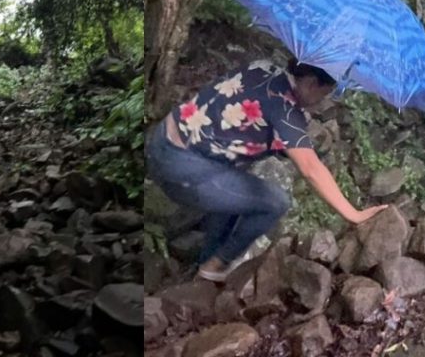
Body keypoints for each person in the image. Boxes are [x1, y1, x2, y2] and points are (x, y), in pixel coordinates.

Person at [147, 59, 387, 283]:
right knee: (276, 202)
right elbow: (311, 169)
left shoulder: (262, 67)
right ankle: (217, 264)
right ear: (312, 84)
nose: (322, 101)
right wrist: (353, 214)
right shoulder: (285, 109)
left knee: (240, 190)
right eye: (324, 93)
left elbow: (251, 118)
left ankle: (206, 266)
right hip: (182, 168)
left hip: (162, 139)